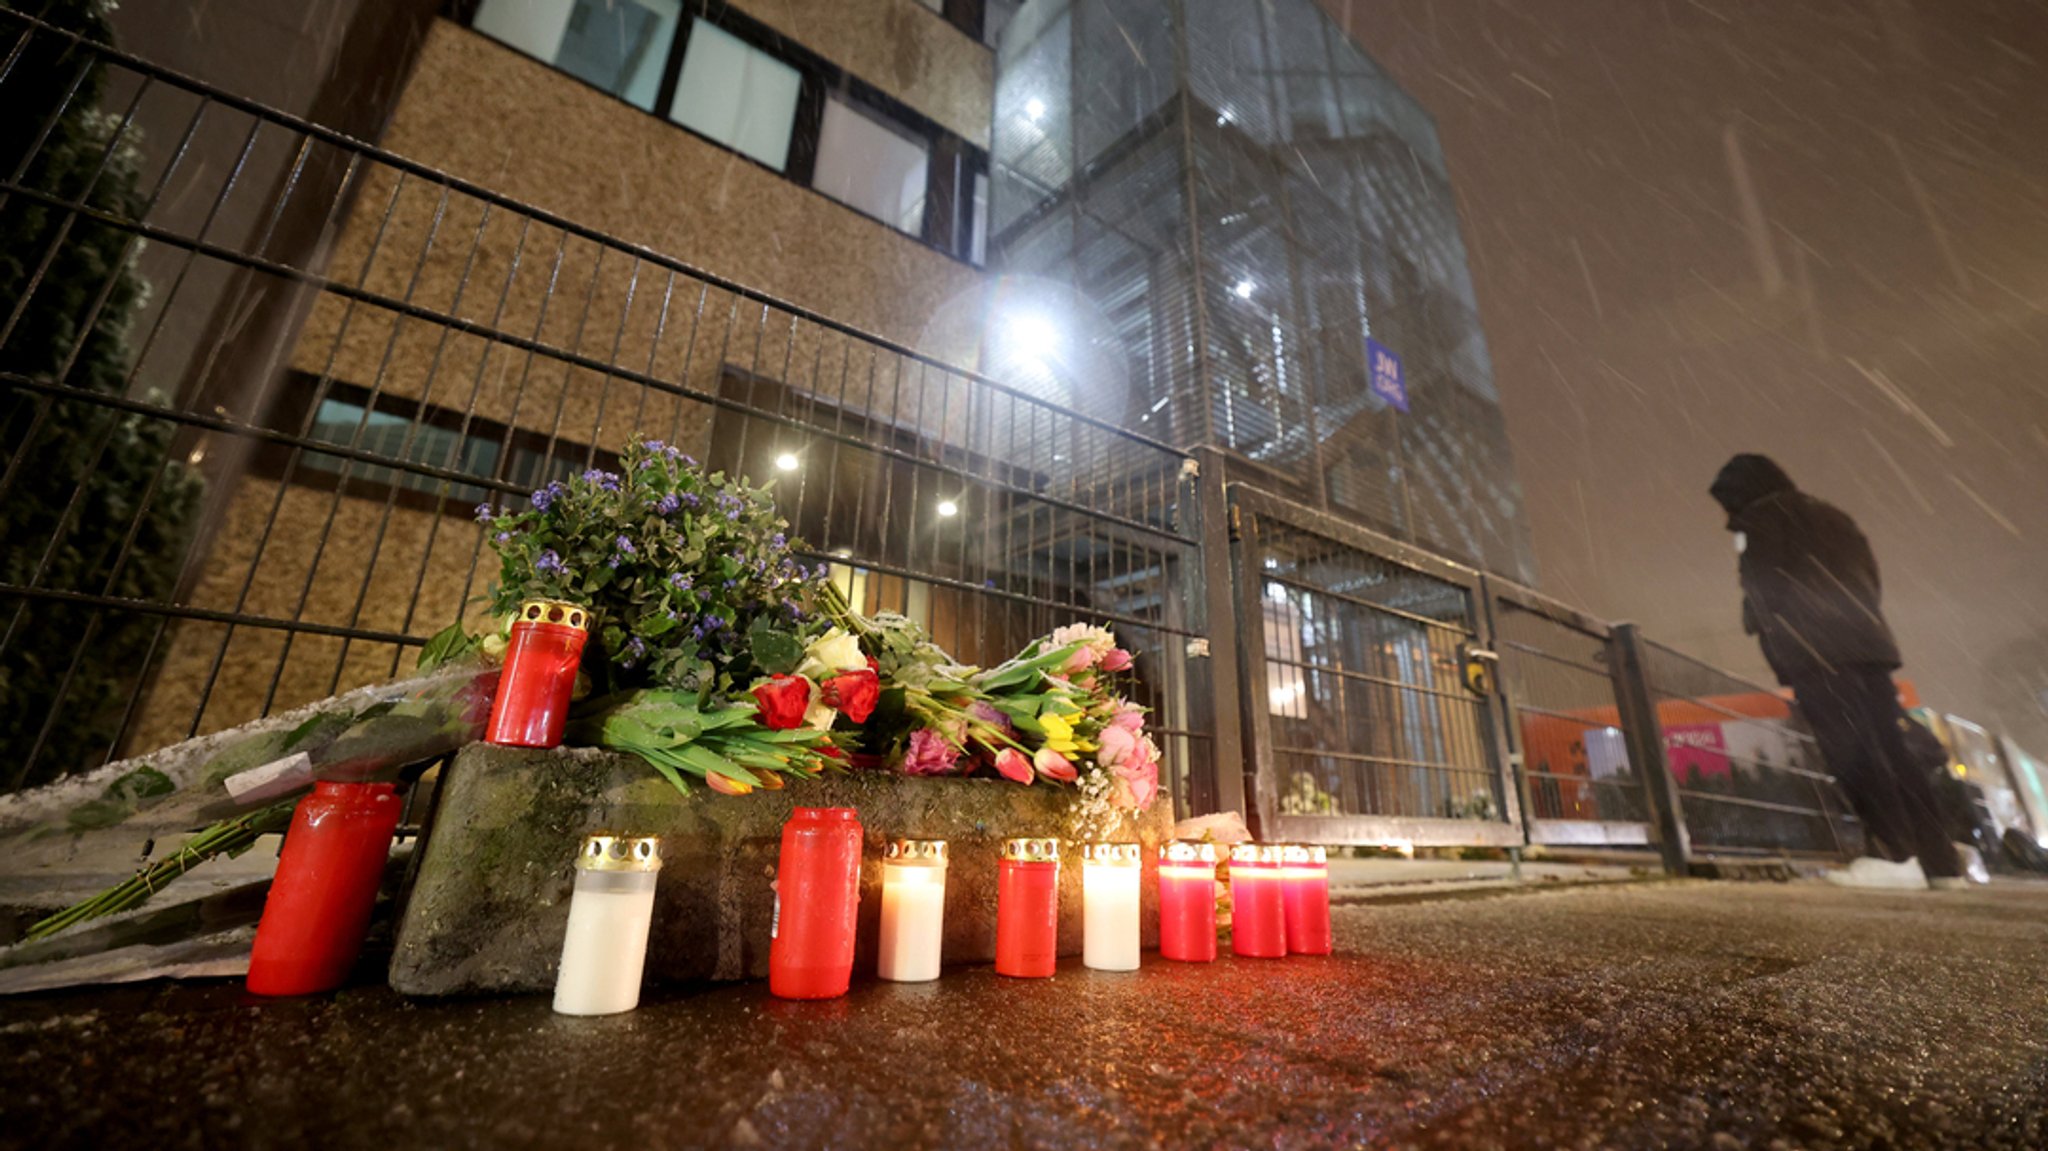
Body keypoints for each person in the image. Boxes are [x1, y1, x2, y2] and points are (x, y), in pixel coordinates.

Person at [1708, 453, 1966, 890]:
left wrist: (1760, 622)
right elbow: (1871, 579)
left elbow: (1765, 586)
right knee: (1895, 751)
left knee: (1851, 752)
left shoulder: (1762, 520)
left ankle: (1894, 853)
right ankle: (1940, 863)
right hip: (1868, 646)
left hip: (1816, 653)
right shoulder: (1834, 517)